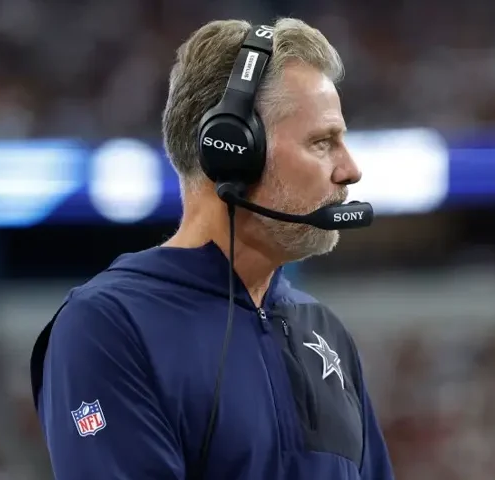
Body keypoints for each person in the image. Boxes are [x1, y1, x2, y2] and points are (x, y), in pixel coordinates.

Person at [29, 18, 394, 480]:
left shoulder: (326, 332)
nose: (350, 170)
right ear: (233, 150)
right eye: (322, 142)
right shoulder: (108, 326)